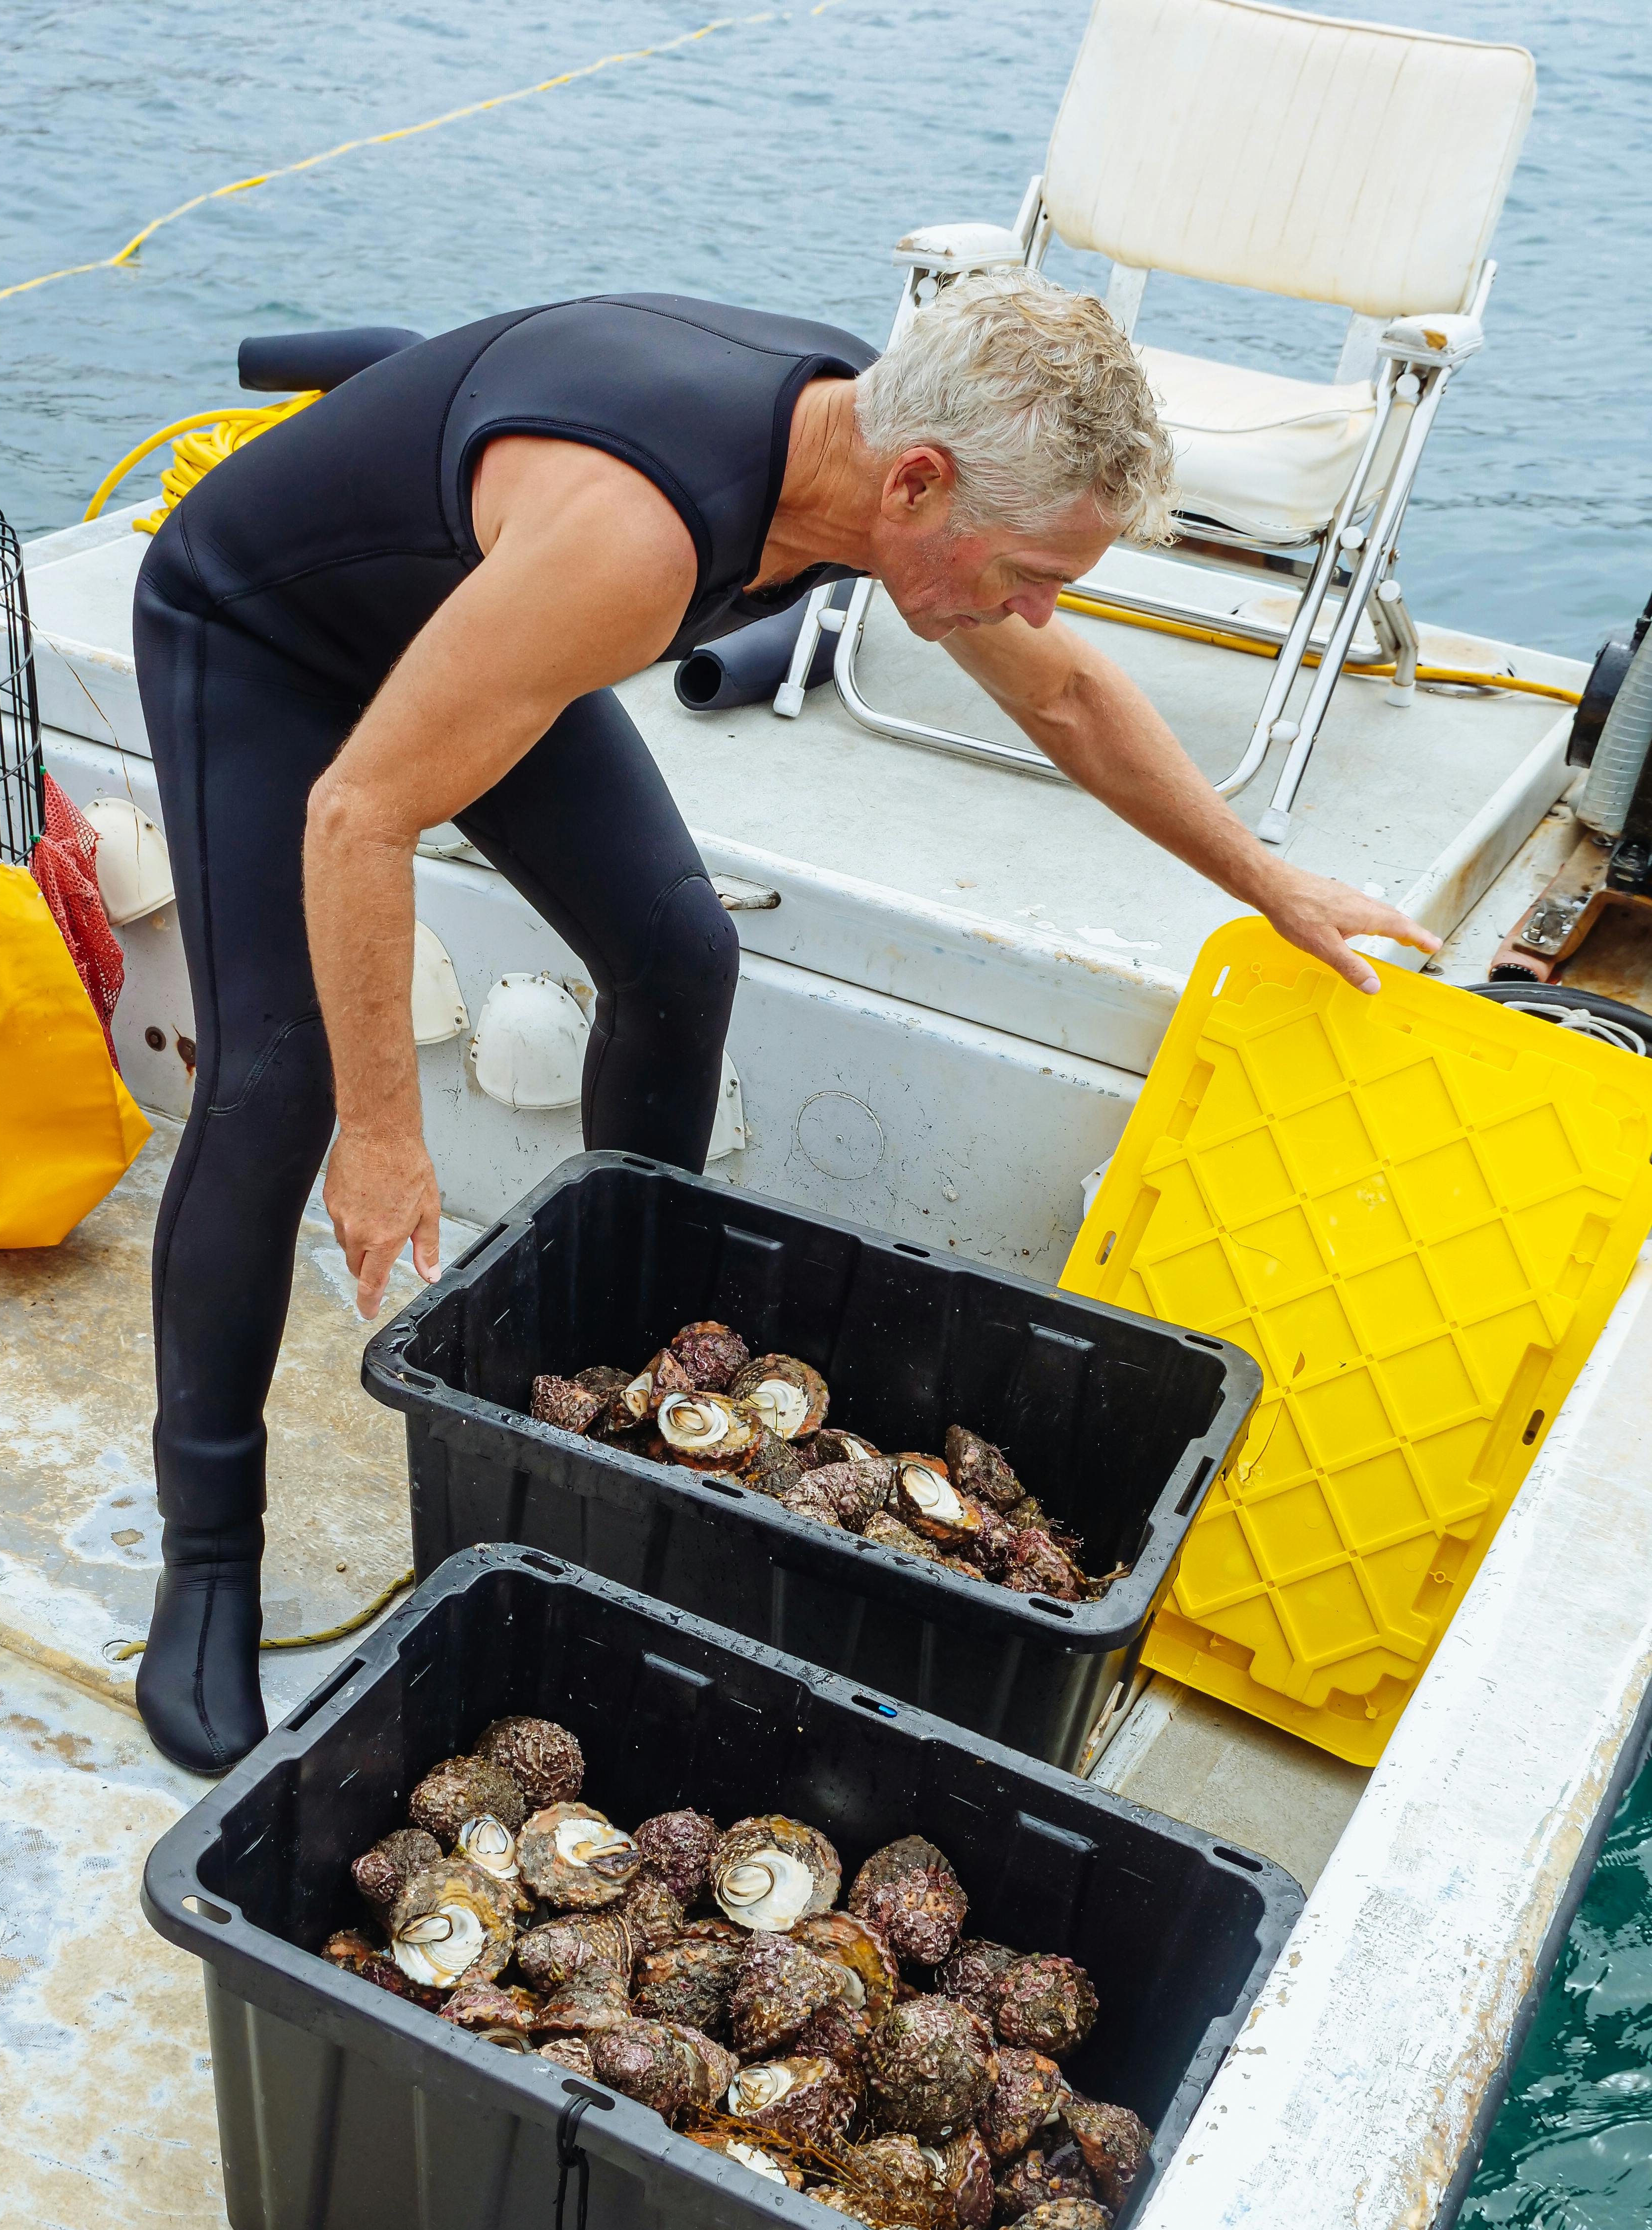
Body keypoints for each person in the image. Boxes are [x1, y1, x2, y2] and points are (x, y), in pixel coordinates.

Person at [129, 278, 1437, 1774]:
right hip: (268, 640)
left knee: (678, 953)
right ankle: (210, 1559)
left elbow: (1067, 695)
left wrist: (1271, 885)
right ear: (920, 485)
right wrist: (383, 1131)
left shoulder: (880, 463)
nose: (1035, 609)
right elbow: (360, 813)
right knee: (277, 1086)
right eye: (1024, 571)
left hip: (481, 632)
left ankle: (630, 1408)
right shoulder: (642, 541)